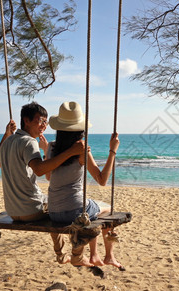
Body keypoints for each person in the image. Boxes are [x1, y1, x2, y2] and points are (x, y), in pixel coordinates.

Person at [0, 101, 85, 264]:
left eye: (46, 122)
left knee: (49, 201)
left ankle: (62, 255)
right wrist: (71, 152)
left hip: (13, 211)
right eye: (40, 120)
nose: (44, 125)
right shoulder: (29, 142)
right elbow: (40, 169)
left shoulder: (8, 141)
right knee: (60, 204)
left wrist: (6, 135)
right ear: (26, 120)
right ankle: (73, 255)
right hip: (31, 209)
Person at [45, 101, 123, 270]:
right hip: (74, 212)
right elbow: (102, 180)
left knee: (91, 207)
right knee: (107, 209)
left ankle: (95, 255)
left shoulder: (51, 147)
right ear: (80, 130)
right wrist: (112, 151)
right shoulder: (82, 150)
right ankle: (108, 256)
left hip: (54, 213)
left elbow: (48, 176)